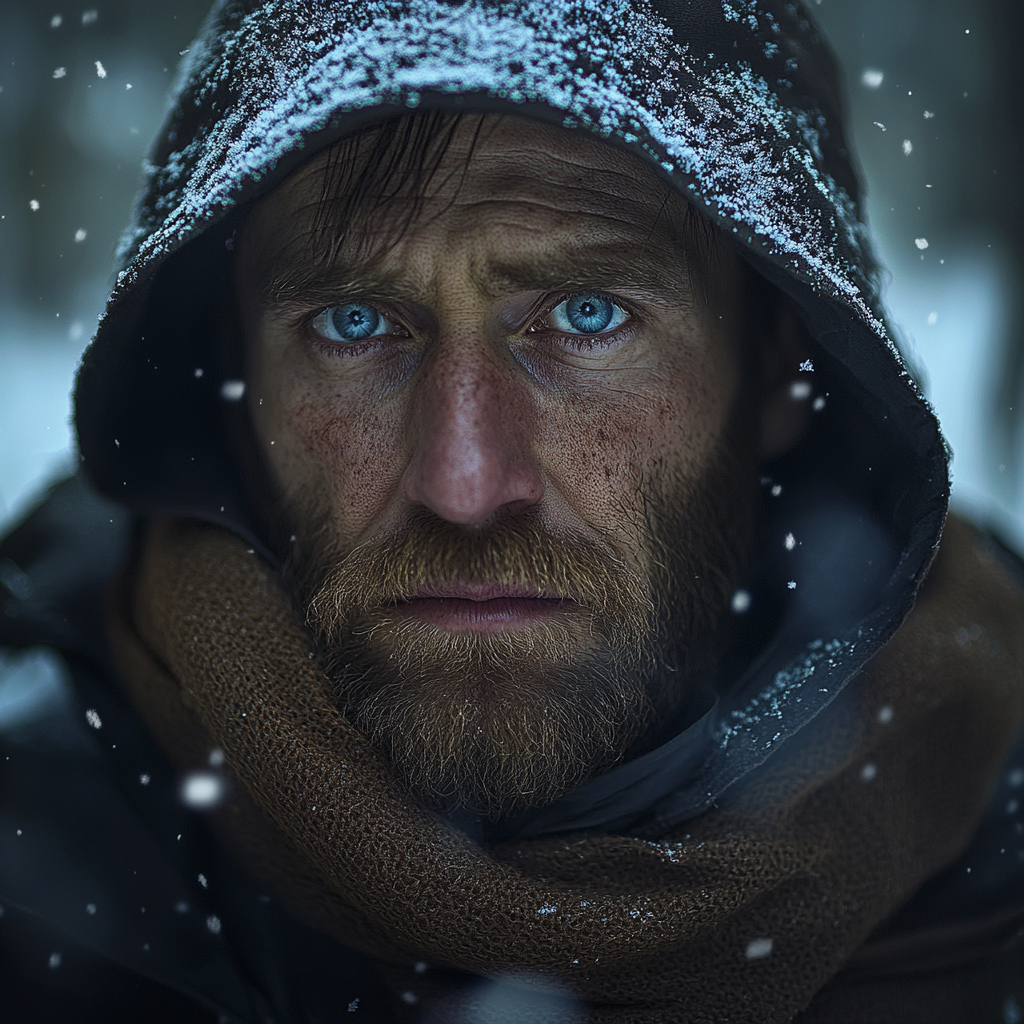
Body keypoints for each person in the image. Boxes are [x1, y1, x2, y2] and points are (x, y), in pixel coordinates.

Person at [2, 0, 1023, 1020]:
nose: (464, 484)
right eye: (353, 324)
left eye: (588, 315)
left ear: (775, 365)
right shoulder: (35, 850)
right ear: (229, 384)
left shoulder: (996, 830)